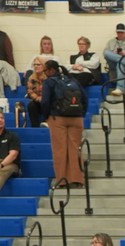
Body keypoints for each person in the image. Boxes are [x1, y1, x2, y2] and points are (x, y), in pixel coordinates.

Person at [41, 60, 87, 188]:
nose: (45, 73)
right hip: (77, 118)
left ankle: (62, 181)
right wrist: (81, 115)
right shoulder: (73, 80)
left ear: (51, 70)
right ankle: (77, 180)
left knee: (60, 150)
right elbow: (84, 98)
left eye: (46, 70)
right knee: (75, 149)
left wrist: (46, 117)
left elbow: (45, 102)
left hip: (58, 118)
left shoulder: (49, 82)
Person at [25, 58, 47, 128]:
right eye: (34, 65)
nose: (36, 66)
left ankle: (45, 123)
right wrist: (37, 98)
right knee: (31, 105)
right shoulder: (32, 77)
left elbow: (50, 91)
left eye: (38, 64)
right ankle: (35, 127)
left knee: (47, 103)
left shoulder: (48, 77)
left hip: (47, 100)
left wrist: (43, 98)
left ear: (43, 66)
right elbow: (30, 91)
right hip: (37, 100)